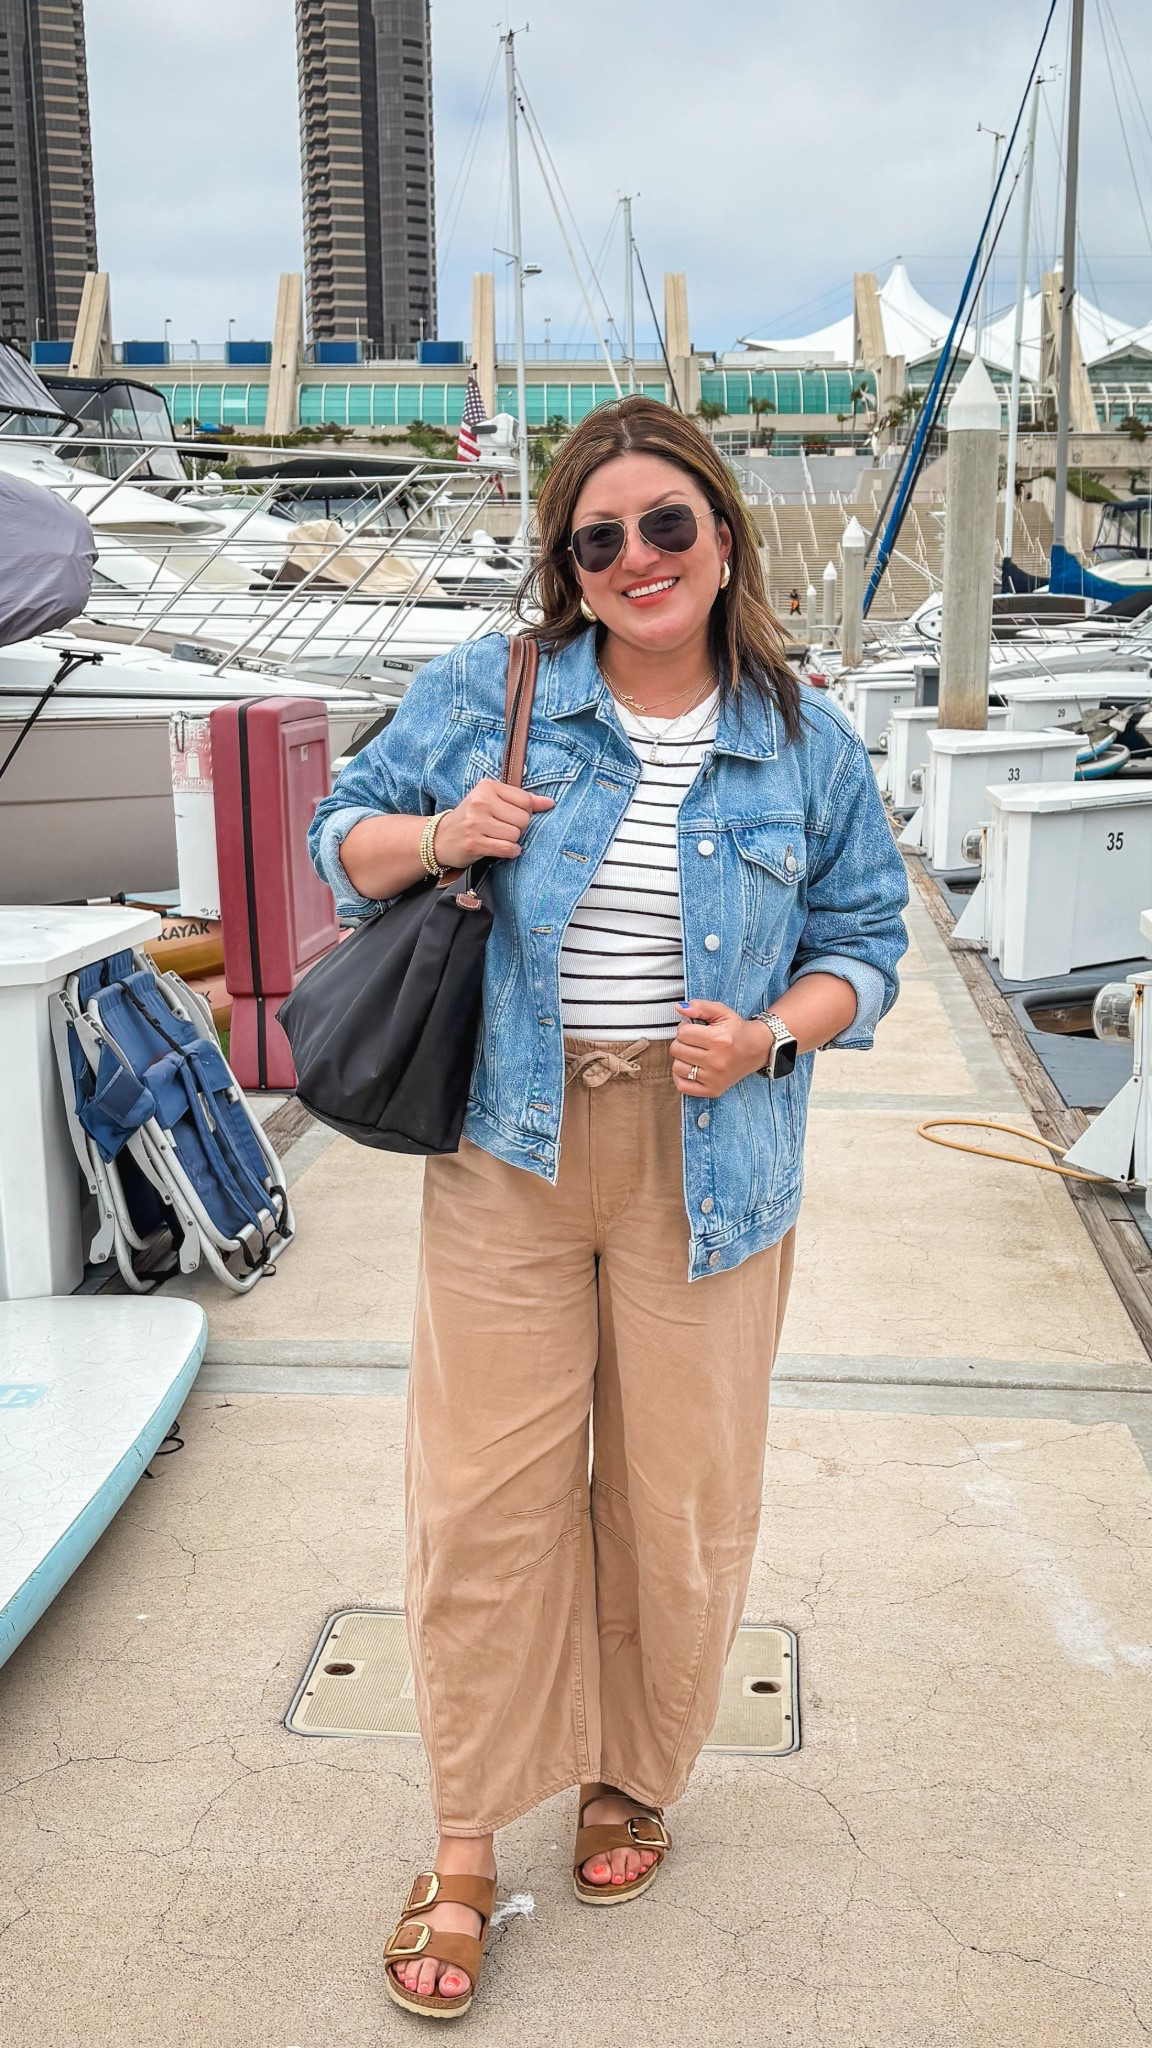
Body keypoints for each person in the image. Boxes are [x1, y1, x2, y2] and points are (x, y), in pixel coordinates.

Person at [308, 394, 908, 2020]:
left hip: (712, 1160)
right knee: (483, 1502)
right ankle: (462, 1840)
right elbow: (332, 836)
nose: (636, 558)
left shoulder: (805, 738)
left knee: (678, 1497)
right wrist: (441, 830)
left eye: (665, 526)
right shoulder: (490, 692)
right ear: (569, 567)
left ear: (721, 538)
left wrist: (778, 1029)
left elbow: (869, 939)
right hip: (512, 1147)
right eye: (599, 538)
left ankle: (633, 1774)